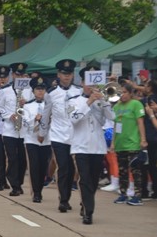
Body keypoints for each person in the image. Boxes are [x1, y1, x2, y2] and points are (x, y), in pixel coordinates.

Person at [67, 66, 114, 224]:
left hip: (98, 147)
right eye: (88, 82)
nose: (91, 86)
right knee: (85, 179)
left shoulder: (102, 100)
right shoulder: (73, 100)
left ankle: (85, 203)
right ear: (82, 83)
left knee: (93, 181)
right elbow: (74, 119)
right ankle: (89, 212)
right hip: (80, 146)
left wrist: (103, 101)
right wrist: (90, 101)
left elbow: (111, 117)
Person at [40, 59, 82, 212]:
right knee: (63, 167)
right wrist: (42, 133)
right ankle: (63, 200)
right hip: (58, 136)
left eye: (69, 74)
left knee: (73, 170)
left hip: (75, 136)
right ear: (58, 75)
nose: (66, 77)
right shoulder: (51, 94)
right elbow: (46, 115)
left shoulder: (79, 92)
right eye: (64, 74)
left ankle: (70, 196)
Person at [0, 63, 29, 197]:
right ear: (13, 75)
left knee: (22, 160)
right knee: (12, 158)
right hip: (9, 130)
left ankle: (19, 183)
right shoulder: (5, 91)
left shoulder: (29, 90)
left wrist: (25, 105)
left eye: (22, 74)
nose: (19, 76)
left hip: (24, 131)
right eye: (17, 74)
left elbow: (35, 107)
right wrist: (8, 115)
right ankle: (14, 185)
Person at [111, 83, 147, 206]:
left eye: (125, 92)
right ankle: (123, 193)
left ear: (131, 93)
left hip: (133, 143)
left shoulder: (136, 104)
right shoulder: (117, 106)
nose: (123, 95)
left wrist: (143, 139)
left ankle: (138, 195)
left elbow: (140, 122)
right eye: (121, 92)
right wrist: (113, 143)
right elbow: (115, 125)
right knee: (122, 171)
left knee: (135, 170)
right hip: (120, 143)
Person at [22, 77, 51, 203]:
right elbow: (25, 122)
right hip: (31, 140)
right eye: (38, 89)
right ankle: (36, 192)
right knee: (34, 166)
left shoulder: (50, 105)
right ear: (33, 91)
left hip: (46, 140)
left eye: (43, 89)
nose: (40, 92)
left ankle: (40, 188)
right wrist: (35, 119)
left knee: (43, 166)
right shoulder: (28, 106)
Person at [140, 79, 157, 199]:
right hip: (151, 137)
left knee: (148, 165)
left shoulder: (148, 100)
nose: (144, 87)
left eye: (146, 85)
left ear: (150, 87)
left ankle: (147, 190)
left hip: (150, 137)